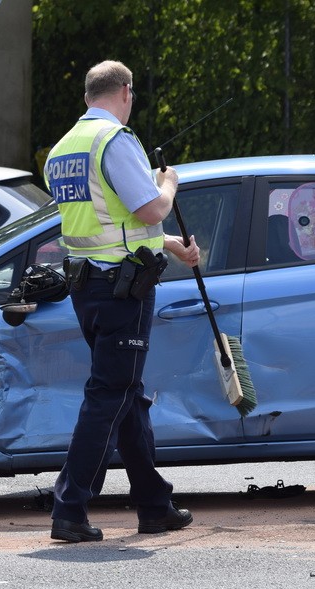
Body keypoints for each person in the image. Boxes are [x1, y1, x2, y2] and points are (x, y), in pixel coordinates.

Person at [43, 60, 201, 542]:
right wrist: (169, 182)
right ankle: (69, 507)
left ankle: (155, 505)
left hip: (89, 286)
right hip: (122, 290)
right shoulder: (115, 141)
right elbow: (152, 207)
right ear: (126, 92)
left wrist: (166, 244)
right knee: (109, 394)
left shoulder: (62, 149)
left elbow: (106, 220)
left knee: (126, 393)